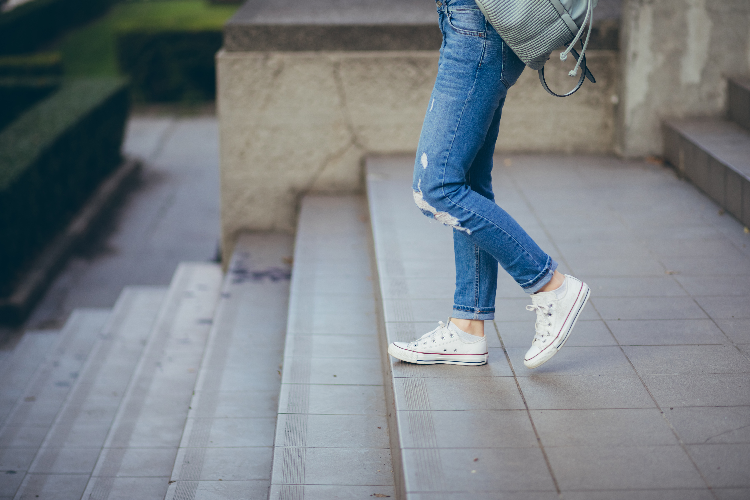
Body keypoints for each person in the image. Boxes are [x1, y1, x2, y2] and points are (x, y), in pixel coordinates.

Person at [387, 0, 590, 369]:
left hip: (477, 27)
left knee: (436, 188)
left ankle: (550, 285)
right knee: (467, 182)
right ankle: (468, 326)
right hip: (469, 24)